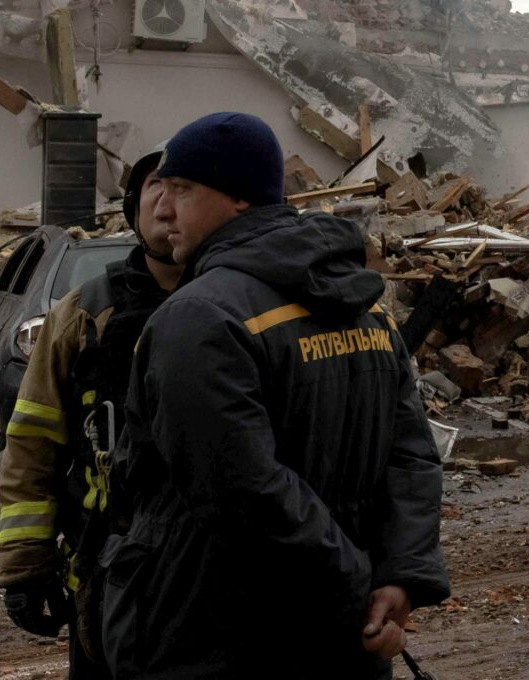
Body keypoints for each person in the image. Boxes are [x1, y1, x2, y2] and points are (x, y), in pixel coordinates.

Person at [99, 112, 448, 679]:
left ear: (239, 198)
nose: (163, 210)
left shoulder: (200, 317)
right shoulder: (366, 308)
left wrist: (361, 581)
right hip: (341, 636)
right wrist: (396, 577)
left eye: (182, 189)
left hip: (213, 632)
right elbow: (411, 457)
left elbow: (242, 490)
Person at [0, 145, 182, 677]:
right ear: (133, 209)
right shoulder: (81, 314)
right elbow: (32, 443)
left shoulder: (245, 306)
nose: (168, 202)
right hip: (105, 575)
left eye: (183, 187)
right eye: (155, 186)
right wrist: (26, 564)